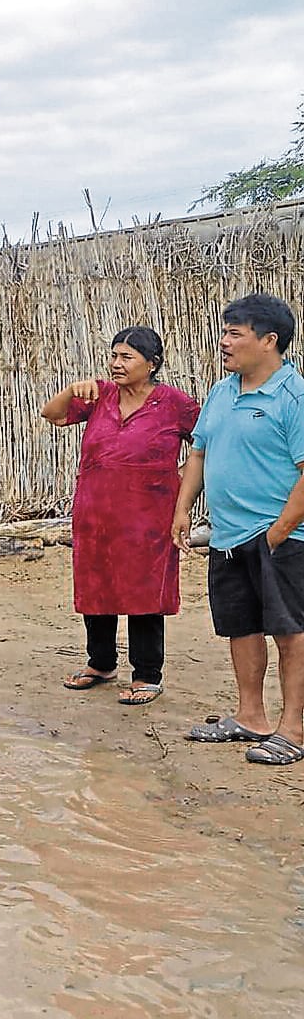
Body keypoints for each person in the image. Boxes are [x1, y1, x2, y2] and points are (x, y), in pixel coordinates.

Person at [174, 294, 304, 765]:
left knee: (290, 632)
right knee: (242, 628)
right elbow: (200, 453)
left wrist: (280, 532)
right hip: (228, 534)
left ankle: (293, 729)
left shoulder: (294, 396)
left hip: (281, 537)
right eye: (224, 331)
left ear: (269, 341)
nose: (223, 342)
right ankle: (252, 716)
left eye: (235, 333)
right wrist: (183, 507)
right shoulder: (222, 390)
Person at [42, 327, 199, 705]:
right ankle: (100, 663)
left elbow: (205, 447)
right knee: (97, 583)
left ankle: (147, 674)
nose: (116, 363)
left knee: (144, 590)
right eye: (114, 355)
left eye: (126, 357)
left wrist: (179, 491)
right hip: (96, 511)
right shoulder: (100, 395)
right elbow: (52, 413)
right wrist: (72, 389)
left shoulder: (175, 404)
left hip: (149, 515)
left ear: (153, 364)